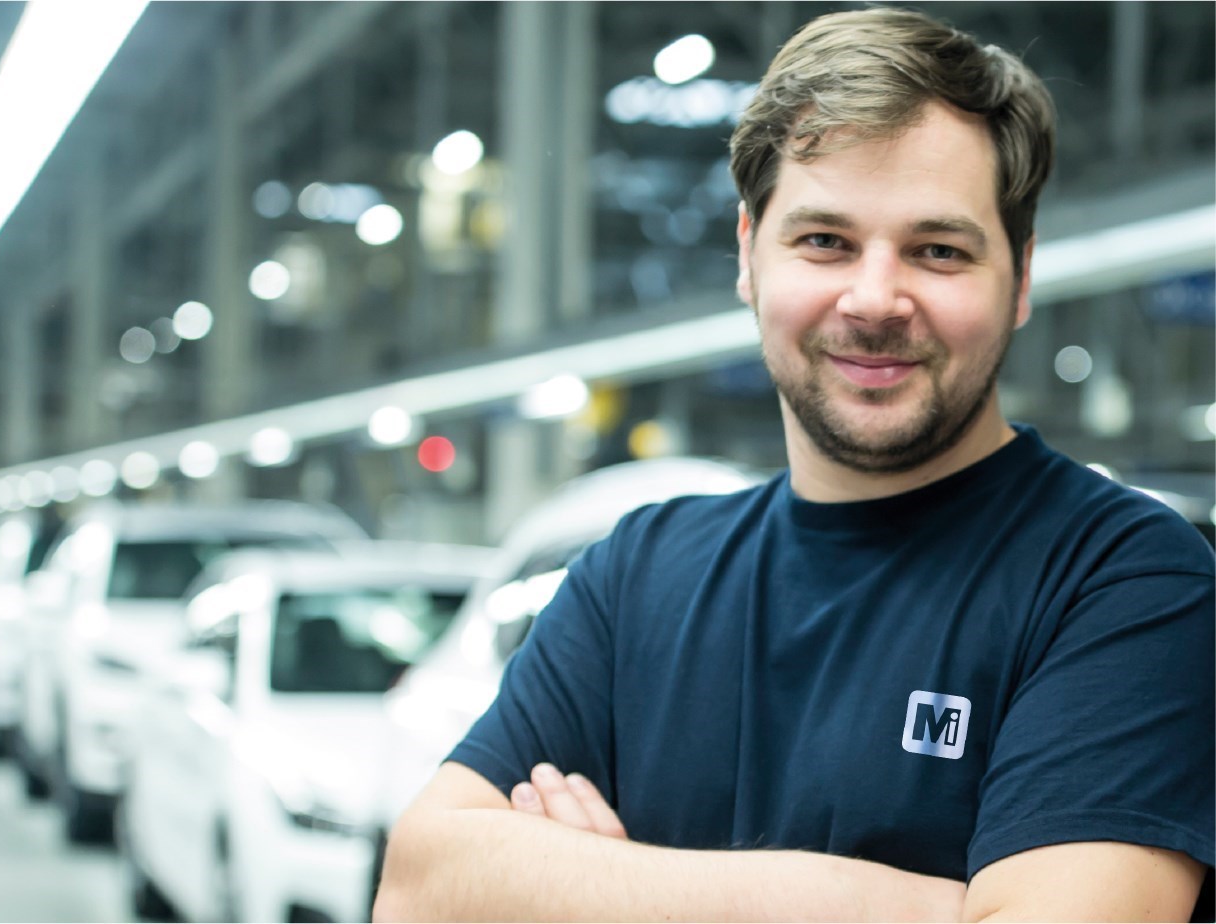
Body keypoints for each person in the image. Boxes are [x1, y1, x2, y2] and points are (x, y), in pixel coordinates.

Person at [374, 7, 1214, 921]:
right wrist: (924, 906)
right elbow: (420, 887)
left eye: (938, 250)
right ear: (748, 256)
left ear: (1019, 276)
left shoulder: (1127, 579)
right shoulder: (638, 573)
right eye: (825, 241)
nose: (875, 297)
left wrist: (589, 889)